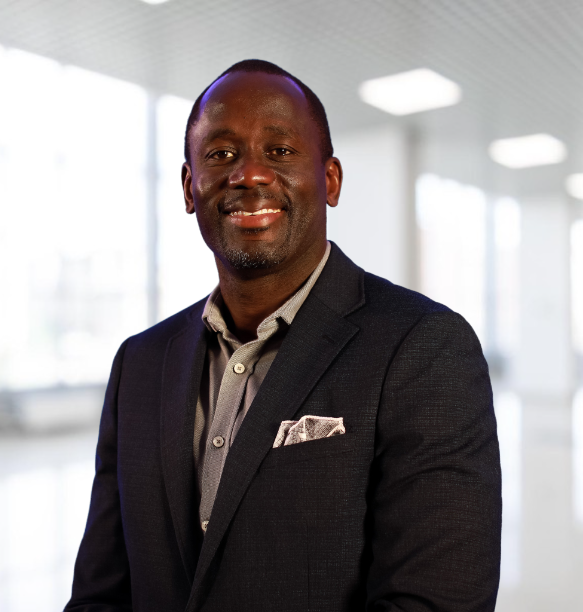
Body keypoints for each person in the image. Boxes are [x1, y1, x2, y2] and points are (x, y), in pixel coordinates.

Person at [65, 59, 501, 612]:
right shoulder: (141, 363)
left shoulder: (425, 348)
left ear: (331, 180)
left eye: (280, 151)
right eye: (221, 155)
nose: (249, 174)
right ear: (189, 187)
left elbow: (435, 602)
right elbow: (101, 593)